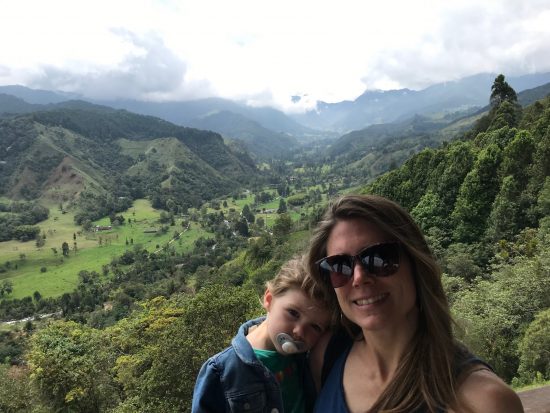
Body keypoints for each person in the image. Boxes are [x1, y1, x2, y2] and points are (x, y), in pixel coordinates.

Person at [306, 194, 524, 413]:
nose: (359, 277)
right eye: (340, 266)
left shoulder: (484, 401)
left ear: (415, 263)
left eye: (379, 258)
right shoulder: (327, 354)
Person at [191, 256, 337, 413]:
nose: (299, 332)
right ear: (269, 299)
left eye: (315, 327)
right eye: (293, 313)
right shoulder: (221, 371)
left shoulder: (307, 357)